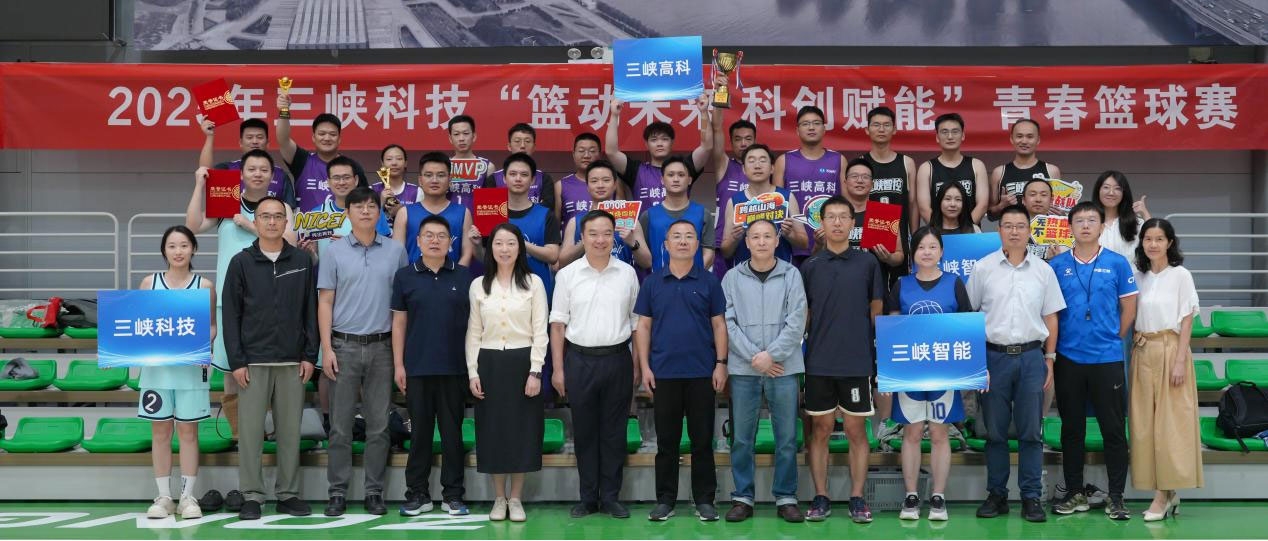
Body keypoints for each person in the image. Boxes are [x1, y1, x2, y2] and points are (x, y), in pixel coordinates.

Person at [185, 150, 296, 448]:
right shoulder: (227, 201)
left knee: (266, 368)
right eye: (252, 169)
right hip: (229, 300)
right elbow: (193, 226)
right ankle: (240, 434)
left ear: (272, 176)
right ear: (242, 173)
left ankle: (264, 429)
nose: (258, 174)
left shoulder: (280, 207)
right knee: (230, 369)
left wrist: (250, 226)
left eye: (264, 169)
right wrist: (199, 186)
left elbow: (292, 242)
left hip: (270, 301)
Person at [221, 196, 318, 521]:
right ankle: (252, 495)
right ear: (256, 222)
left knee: (289, 432)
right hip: (253, 362)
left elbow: (310, 310)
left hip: (292, 361)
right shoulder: (241, 262)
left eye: (278, 216)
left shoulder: (302, 261)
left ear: (286, 222)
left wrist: (309, 355)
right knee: (250, 434)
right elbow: (231, 315)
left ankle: (288, 494)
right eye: (266, 216)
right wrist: (237, 361)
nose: (272, 222)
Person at [968, 204, 1065, 524]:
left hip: (1031, 357)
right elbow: (969, 316)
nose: (1014, 231)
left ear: (1029, 231)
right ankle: (996, 494)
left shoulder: (1043, 270)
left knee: (1031, 432)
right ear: (999, 231)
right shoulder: (983, 268)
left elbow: (1051, 317)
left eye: (1020, 226)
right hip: (992, 357)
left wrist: (1050, 358)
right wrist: (977, 362)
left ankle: (1031, 497)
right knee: (995, 432)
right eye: (1007, 225)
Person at [318, 187, 408, 518]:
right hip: (343, 345)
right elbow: (325, 301)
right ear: (348, 213)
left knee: (379, 425)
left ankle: (374, 491)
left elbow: (402, 307)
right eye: (359, 206)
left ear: (379, 212)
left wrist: (399, 356)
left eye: (372, 206)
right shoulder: (334, 251)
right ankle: (337, 492)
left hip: (383, 346)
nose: (366, 211)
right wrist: (326, 348)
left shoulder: (396, 251)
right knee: (340, 425)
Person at [1048, 202, 1138, 520]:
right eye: (1080, 221)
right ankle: (1075, 493)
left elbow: (1129, 306)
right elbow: (1050, 312)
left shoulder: (1117, 263)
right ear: (1070, 227)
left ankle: (1116, 497)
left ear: (1101, 226)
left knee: (1113, 429)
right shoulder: (1056, 265)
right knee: (1072, 429)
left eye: (1092, 220)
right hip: (1068, 359)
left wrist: (1114, 337)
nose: (1085, 225)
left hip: (1107, 358)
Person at [634, 220, 728, 522]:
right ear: (666, 244)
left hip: (702, 373)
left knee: (702, 441)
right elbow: (643, 327)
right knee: (666, 443)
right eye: (677, 236)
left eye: (689, 236)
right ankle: (665, 500)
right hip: (663, 374)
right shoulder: (652, 283)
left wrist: (721, 363)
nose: (683, 241)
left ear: (697, 244)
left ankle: (705, 500)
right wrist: (645, 367)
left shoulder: (709, 282)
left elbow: (719, 325)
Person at [550, 210, 641, 519]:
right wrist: (558, 369)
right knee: (585, 432)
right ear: (582, 237)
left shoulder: (627, 273)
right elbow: (558, 325)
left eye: (606, 233)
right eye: (593, 234)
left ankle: (612, 497)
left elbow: (636, 324)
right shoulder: (567, 275)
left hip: (618, 359)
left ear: (614, 237)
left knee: (615, 432)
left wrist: (637, 364)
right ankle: (588, 497)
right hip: (579, 361)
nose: (600, 240)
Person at [801, 196, 885, 523]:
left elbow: (876, 309)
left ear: (852, 223)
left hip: (856, 360)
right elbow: (805, 315)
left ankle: (857, 498)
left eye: (843, 217)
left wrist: (873, 353)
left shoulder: (868, 263)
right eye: (831, 217)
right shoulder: (810, 266)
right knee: (820, 429)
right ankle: (820, 496)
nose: (837, 222)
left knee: (855, 430)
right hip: (819, 361)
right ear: (821, 223)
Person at [721, 219, 808, 524]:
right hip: (744, 368)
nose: (761, 242)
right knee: (742, 438)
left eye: (767, 236)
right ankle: (742, 497)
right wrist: (754, 357)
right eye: (755, 237)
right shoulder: (732, 277)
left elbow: (798, 320)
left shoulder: (791, 274)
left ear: (776, 241)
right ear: (746, 242)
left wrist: (771, 356)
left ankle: (786, 497)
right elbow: (727, 321)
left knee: (786, 437)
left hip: (783, 367)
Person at [887, 227, 972, 522]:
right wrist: (889, 373)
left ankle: (938, 496)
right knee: (911, 433)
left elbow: (966, 328)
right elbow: (892, 332)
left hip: (944, 372)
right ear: (913, 253)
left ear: (941, 251)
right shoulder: (901, 285)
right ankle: (911, 495)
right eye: (921, 247)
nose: (927, 252)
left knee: (939, 432)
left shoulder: (954, 283)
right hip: (910, 373)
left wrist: (972, 371)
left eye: (932, 246)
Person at [392, 215, 475, 517]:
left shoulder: (464, 277)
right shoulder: (405, 276)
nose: (435, 240)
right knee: (420, 435)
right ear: (418, 241)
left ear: (451, 242)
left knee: (452, 435)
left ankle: (453, 495)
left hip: (455, 369)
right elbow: (399, 323)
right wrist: (399, 365)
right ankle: (418, 494)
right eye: (428, 235)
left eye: (441, 236)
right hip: (417, 368)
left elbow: (475, 325)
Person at [466, 223, 549, 523]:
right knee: (493, 432)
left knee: (522, 432)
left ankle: (516, 498)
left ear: (519, 248)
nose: (504, 249)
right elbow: (473, 332)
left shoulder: (533, 283)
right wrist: (473, 372)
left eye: (511, 243)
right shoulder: (479, 285)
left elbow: (540, 330)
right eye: (498, 243)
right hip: (489, 363)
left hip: (522, 363)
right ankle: (498, 498)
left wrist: (535, 371)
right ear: (490, 249)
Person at [138, 225, 215, 520]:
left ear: (193, 248)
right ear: (164, 251)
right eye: (172, 246)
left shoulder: (204, 285)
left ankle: (187, 497)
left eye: (184, 245)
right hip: (156, 372)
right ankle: (163, 497)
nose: (178, 251)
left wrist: (203, 347)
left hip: (191, 371)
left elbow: (211, 326)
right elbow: (138, 325)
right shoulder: (149, 283)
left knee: (188, 432)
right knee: (160, 432)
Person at [1130, 218, 1203, 522]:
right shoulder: (1138, 276)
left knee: (1170, 425)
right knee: (1144, 425)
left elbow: (1187, 320)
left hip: (1171, 349)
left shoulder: (1180, 275)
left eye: (1159, 239)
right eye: (1148, 238)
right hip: (1142, 349)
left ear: (1170, 243)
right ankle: (1165, 492)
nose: (1153, 244)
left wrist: (1180, 360)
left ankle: (1163, 495)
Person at [605, 96, 712, 209]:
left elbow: (706, 147)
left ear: (672, 143)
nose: (659, 143)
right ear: (646, 144)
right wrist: (614, 115)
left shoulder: (685, 167)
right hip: (645, 221)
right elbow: (611, 152)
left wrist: (704, 112)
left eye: (665, 139)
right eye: (654, 140)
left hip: (681, 221)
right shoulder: (636, 170)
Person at [774, 106, 845, 261]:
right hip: (793, 246)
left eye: (816, 123)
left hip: (831, 245)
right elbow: (777, 208)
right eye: (805, 124)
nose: (811, 127)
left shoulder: (838, 160)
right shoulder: (784, 161)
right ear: (797, 130)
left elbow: (846, 204)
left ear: (824, 129)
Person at [275, 97, 370, 212]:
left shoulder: (352, 166)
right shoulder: (302, 160)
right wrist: (284, 111)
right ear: (313, 137)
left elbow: (365, 200)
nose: (327, 138)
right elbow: (283, 140)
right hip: (306, 223)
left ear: (339, 139)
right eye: (322, 134)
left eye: (332, 134)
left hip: (345, 224)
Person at [720, 144, 808, 265]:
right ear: (744, 169)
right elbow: (725, 252)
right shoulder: (734, 202)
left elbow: (804, 243)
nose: (757, 166)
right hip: (745, 273)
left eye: (763, 160)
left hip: (781, 272)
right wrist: (734, 239)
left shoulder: (787, 197)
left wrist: (790, 235)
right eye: (751, 161)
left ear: (772, 168)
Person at [861, 106, 918, 286]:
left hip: (901, 239)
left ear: (894, 129)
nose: (881, 129)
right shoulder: (861, 164)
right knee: (872, 289)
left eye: (886, 125)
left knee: (899, 289)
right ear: (867, 129)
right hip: (869, 238)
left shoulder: (907, 163)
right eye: (876, 125)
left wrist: (914, 237)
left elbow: (913, 204)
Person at [559, 161, 651, 268]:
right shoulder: (576, 221)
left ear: (615, 185)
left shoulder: (629, 218)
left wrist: (633, 243)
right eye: (594, 181)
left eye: (606, 180)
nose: (600, 185)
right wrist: (585, 241)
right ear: (587, 186)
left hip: (622, 277)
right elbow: (563, 262)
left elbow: (647, 263)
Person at [393, 152, 474, 266]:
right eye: (428, 175)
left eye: (441, 175)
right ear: (420, 180)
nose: (434, 180)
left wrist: (457, 275)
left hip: (453, 276)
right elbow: (397, 255)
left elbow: (467, 254)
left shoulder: (463, 213)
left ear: (449, 179)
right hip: (412, 277)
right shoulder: (404, 213)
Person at [640, 157, 716, 272]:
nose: (676, 179)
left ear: (689, 180)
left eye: (681, 175)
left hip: (695, 280)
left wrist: (691, 276)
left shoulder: (703, 214)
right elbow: (643, 257)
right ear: (662, 180)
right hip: (658, 281)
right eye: (670, 175)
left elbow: (709, 254)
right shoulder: (648, 216)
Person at [709, 106, 758, 279]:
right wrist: (718, 102)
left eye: (748, 139)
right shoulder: (724, 165)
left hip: (757, 242)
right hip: (725, 243)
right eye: (738, 139)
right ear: (731, 142)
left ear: (755, 141)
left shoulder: (764, 170)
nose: (743, 143)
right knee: (723, 294)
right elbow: (716, 129)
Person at [198, 117, 294, 205]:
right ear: (241, 143)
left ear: (267, 143)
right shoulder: (228, 169)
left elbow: (289, 209)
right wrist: (209, 136)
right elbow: (204, 173)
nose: (255, 141)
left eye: (260, 137)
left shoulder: (281, 175)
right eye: (249, 137)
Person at [916, 113, 989, 225]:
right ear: (937, 137)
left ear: (963, 135)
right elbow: (924, 208)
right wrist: (943, 230)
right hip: (938, 233)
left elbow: (982, 205)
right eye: (944, 132)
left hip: (971, 232)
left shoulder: (977, 165)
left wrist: (965, 229)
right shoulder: (926, 168)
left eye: (955, 132)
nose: (950, 136)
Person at [989, 119, 1062, 220]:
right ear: (1012, 139)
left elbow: (1059, 211)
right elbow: (991, 215)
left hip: (1042, 229)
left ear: (1038, 140)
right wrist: (1001, 206)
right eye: (1019, 136)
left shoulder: (1052, 171)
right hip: (1012, 229)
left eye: (1030, 137)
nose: (1024, 141)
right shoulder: (999, 172)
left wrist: (1061, 213)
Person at [489, 123, 556, 214]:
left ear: (534, 147)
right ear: (509, 146)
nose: (522, 146)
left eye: (527, 141)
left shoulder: (544, 179)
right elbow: (490, 215)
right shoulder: (493, 179)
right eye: (517, 141)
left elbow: (547, 211)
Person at [1093, 171, 1152, 260]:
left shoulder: (1137, 223)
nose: (1111, 193)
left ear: (1124, 193)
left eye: (1117, 188)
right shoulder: (1088, 224)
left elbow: (1156, 243)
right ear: (1098, 190)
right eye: (1106, 187)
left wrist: (1145, 214)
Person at [444, 114, 494, 211]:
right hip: (446, 219)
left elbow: (491, 206)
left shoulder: (487, 167)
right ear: (450, 138)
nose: (461, 138)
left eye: (466, 133)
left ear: (474, 136)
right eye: (456, 134)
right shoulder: (443, 166)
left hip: (476, 220)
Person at [557, 133, 603, 230]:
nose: (586, 155)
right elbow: (555, 226)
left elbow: (621, 221)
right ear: (573, 154)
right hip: (570, 239)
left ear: (600, 154)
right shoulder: (560, 185)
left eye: (592, 151)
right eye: (581, 151)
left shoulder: (613, 183)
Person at [372, 144, 421, 224]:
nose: (394, 163)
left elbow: (421, 221)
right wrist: (380, 203)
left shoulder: (417, 192)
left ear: (405, 163)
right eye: (389, 159)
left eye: (399, 159)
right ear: (382, 163)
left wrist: (401, 211)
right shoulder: (372, 190)